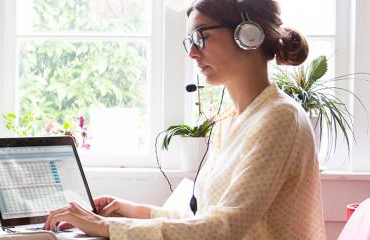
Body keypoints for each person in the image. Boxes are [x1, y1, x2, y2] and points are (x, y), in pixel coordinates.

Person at [42, 0, 326, 239]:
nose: (192, 52)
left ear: (248, 34)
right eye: (190, 40)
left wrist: (106, 226)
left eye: (202, 36)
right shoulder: (231, 119)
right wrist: (131, 210)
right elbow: (204, 218)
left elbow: (225, 227)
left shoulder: (280, 118)